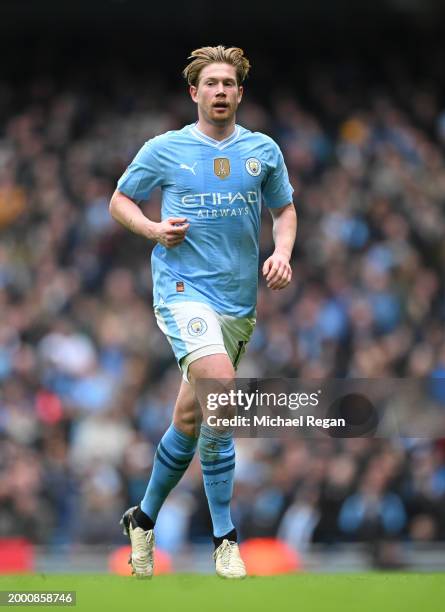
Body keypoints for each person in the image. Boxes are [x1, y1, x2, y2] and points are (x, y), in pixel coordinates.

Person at [109, 45, 297, 579]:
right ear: (195, 92)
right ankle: (225, 536)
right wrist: (151, 228)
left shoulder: (263, 151)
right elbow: (120, 199)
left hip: (237, 303)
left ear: (240, 92)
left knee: (192, 418)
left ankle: (142, 520)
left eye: (228, 84)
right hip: (181, 289)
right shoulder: (166, 149)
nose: (220, 91)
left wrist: (281, 253)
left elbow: (284, 209)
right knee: (222, 391)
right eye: (210, 83)